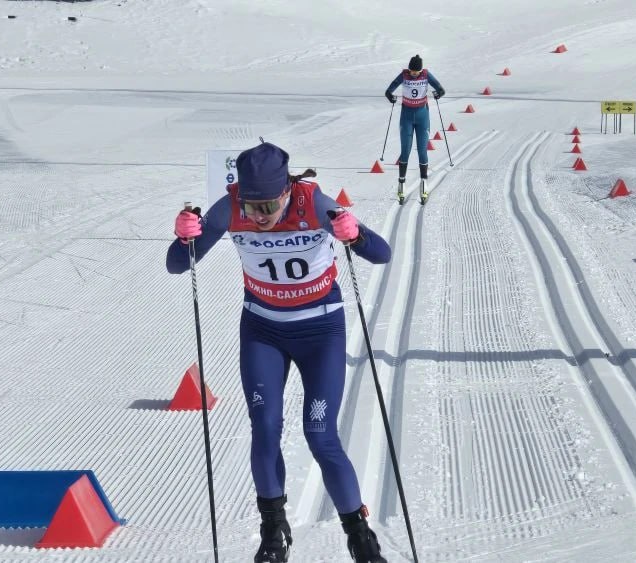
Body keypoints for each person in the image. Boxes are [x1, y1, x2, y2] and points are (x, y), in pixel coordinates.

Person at [167, 142, 392, 563]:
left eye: (269, 205)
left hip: (320, 331)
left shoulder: (313, 203)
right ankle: (273, 530)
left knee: (320, 435)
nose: (260, 216)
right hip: (263, 330)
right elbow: (178, 265)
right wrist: (184, 239)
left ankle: (360, 536)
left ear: (287, 191)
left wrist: (355, 234)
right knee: (265, 428)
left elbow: (381, 254)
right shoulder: (229, 208)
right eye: (252, 207)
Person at [384, 54, 445, 202]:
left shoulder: (425, 75)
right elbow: (389, 90)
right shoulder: (404, 75)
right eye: (412, 71)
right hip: (406, 117)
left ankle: (424, 182)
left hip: (422, 117)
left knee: (422, 150)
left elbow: (441, 89)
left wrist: (438, 94)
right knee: (405, 150)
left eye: (416, 72)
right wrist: (389, 96)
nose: (413, 73)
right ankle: (401, 183)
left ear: (420, 70)